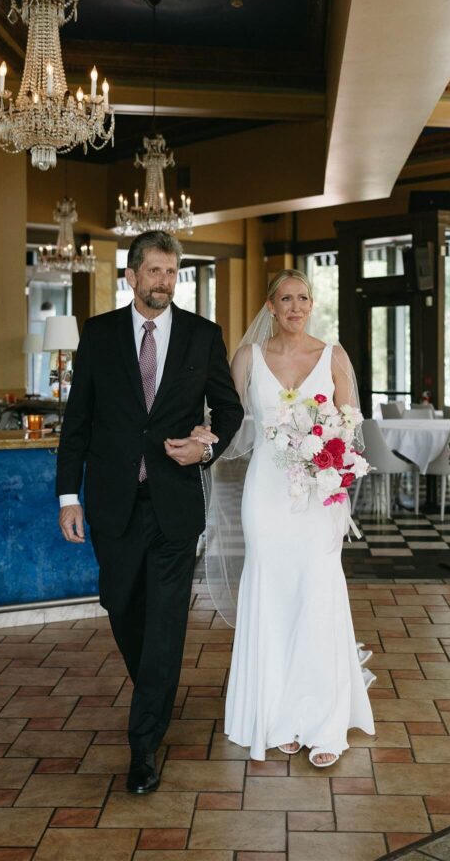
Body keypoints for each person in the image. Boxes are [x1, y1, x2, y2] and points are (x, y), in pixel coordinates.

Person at [56, 231, 244, 794]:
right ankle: (155, 692)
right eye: (154, 271)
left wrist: (205, 446)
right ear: (131, 276)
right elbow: (78, 422)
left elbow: (228, 411)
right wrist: (69, 496)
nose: (164, 281)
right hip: (114, 503)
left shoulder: (202, 336)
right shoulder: (99, 334)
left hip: (173, 503)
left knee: (166, 620)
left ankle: (143, 745)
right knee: (121, 604)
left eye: (171, 271)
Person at [202, 268, 375, 767]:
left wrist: (333, 469)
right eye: (286, 299)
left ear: (312, 303)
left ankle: (322, 718)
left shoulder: (334, 356)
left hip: (320, 495)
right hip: (267, 491)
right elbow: (226, 421)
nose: (296, 306)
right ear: (270, 306)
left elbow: (350, 428)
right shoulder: (248, 357)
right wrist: (199, 440)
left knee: (318, 588)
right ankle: (278, 713)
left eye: (304, 298)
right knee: (272, 590)